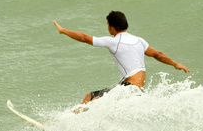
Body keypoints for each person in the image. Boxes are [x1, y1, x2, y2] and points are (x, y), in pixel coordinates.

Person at [53, 11, 190, 107]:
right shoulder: (139, 41)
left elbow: (84, 38)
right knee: (91, 97)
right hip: (137, 91)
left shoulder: (114, 41)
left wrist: (63, 30)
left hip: (128, 89)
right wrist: (175, 64)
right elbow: (158, 54)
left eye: (107, 25)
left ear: (111, 27)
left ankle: (66, 126)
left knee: (92, 100)